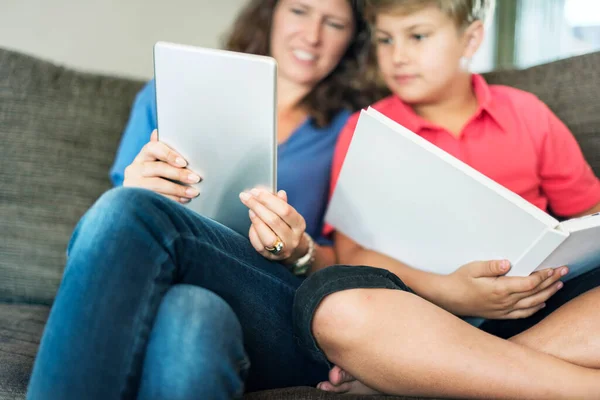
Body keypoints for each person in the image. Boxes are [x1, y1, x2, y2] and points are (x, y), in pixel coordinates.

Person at [26, 1, 383, 399]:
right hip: (171, 282)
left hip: (275, 301)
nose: (313, 36)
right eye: (299, 11)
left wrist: (299, 251)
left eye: (333, 23)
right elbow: (109, 235)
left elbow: (356, 265)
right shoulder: (167, 91)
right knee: (191, 317)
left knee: (126, 212)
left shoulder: (354, 127)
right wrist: (135, 187)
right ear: (272, 13)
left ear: (353, 39)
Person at [293, 0, 600, 398]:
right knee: (333, 302)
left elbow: (588, 215)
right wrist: (448, 290)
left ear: (470, 38)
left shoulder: (528, 114)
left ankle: (431, 378)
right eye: (385, 40)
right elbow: (352, 252)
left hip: (530, 308)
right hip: (416, 314)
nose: (398, 56)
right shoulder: (367, 129)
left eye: (418, 36)